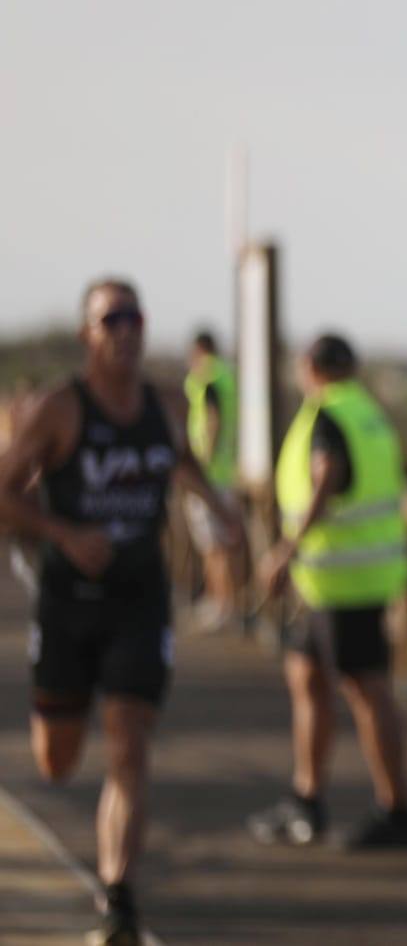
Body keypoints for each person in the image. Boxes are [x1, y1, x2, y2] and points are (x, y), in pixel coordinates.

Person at [0, 278, 246, 946]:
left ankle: (119, 903)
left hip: (138, 598)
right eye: (112, 319)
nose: (127, 330)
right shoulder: (58, 408)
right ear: (88, 334)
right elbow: (5, 495)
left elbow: (186, 461)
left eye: (135, 316)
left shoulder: (165, 402)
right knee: (56, 759)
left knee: (130, 747)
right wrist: (63, 535)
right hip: (67, 601)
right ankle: (59, 724)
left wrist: (223, 511)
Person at [248, 333, 407, 850]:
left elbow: (327, 474)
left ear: (309, 367)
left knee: (367, 692)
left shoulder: (327, 415)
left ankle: (398, 811)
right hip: (349, 578)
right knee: (306, 674)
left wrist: (286, 548)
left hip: (342, 579)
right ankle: (307, 799)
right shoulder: (368, 412)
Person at [182, 330, 242, 631]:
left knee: (214, 545)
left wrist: (201, 463)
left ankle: (223, 604)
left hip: (209, 475)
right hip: (224, 472)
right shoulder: (226, 376)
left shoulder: (207, 379)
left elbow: (211, 420)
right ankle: (220, 600)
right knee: (219, 543)